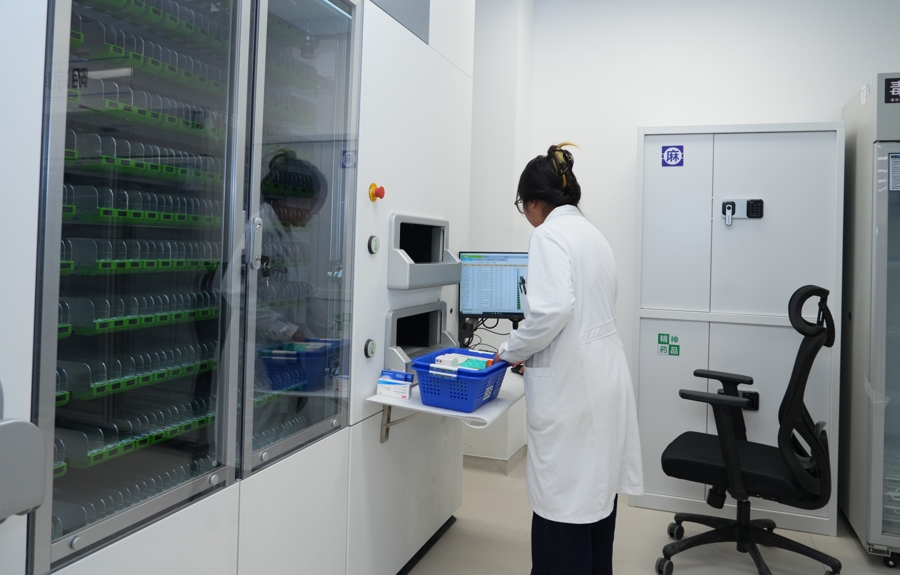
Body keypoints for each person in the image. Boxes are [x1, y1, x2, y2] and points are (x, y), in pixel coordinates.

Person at [495, 143, 644, 575]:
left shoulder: (547, 235)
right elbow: (579, 316)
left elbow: (553, 311)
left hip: (575, 395)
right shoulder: (591, 234)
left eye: (523, 205)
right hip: (603, 382)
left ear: (534, 202)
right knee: (596, 504)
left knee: (563, 511)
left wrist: (509, 350)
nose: (525, 213)